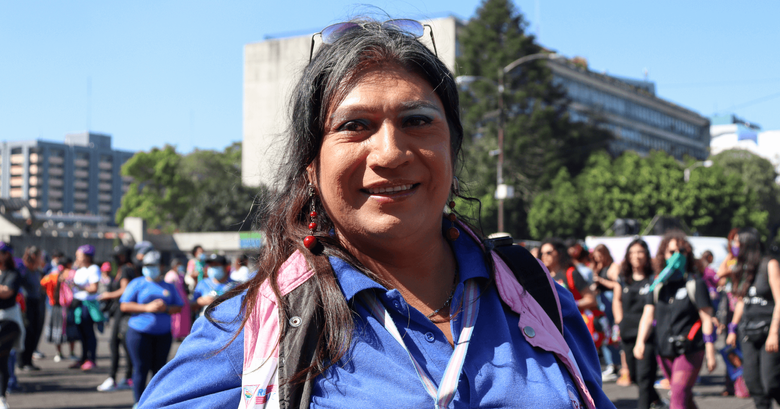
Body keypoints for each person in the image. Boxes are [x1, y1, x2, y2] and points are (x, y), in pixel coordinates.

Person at [140, 18, 613, 408]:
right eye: (354, 126)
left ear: (452, 148)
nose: (389, 152)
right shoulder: (253, 325)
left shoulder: (537, 296)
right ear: (311, 164)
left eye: (417, 121)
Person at [634, 232, 716, 409]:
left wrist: (710, 351)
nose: (676, 256)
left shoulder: (695, 284)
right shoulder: (658, 286)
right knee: (684, 396)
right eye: (672, 252)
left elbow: (706, 318)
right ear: (663, 254)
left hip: (690, 349)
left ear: (688, 254)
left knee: (677, 397)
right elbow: (648, 316)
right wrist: (640, 342)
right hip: (664, 350)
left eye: (682, 251)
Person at [725, 228, 780, 409]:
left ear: (748, 245)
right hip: (747, 331)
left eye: (737, 243)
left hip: (768, 331)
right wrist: (732, 329)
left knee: (771, 382)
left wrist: (774, 332)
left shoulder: (769, 264)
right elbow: (741, 301)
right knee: (752, 382)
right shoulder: (742, 268)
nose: (734, 247)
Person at [120, 250, 183, 406]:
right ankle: (139, 403)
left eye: (153, 265)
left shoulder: (168, 286)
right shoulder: (137, 283)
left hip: (163, 334)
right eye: (147, 265)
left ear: (161, 267)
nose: (150, 268)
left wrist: (166, 308)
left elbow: (179, 306)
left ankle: (155, 403)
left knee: (159, 370)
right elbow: (124, 305)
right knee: (141, 368)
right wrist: (146, 307)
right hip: (139, 333)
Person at [611, 239, 664, 409]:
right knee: (634, 376)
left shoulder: (653, 279)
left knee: (644, 377)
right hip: (627, 332)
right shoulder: (623, 279)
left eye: (640, 252)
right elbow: (617, 300)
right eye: (632, 252)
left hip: (647, 334)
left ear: (647, 255)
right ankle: (657, 401)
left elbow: (652, 309)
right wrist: (620, 321)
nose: (636, 256)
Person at [96, 245, 137, 392]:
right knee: (124, 345)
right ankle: (126, 376)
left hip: (124, 311)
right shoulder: (128, 268)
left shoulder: (126, 269)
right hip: (124, 311)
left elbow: (125, 290)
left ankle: (114, 377)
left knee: (115, 343)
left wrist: (108, 295)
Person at [590, 244, 621, 382]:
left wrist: (600, 280)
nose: (598, 259)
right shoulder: (598, 267)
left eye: (599, 256)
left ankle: (617, 364)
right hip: (601, 304)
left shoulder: (613, 266)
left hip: (611, 303)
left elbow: (616, 285)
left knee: (614, 335)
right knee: (605, 334)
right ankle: (611, 364)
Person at [69, 244, 103, 371]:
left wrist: (79, 286)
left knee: (89, 333)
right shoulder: (78, 269)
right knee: (81, 333)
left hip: (87, 305)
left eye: (80, 255)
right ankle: (83, 358)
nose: (77, 258)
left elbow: (94, 289)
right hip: (77, 304)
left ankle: (91, 359)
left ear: (87, 257)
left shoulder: (93, 268)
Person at [40, 257, 78, 363]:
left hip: (56, 306)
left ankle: (59, 353)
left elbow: (42, 283)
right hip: (69, 306)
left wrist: (49, 292)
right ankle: (72, 353)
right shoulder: (72, 273)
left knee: (57, 329)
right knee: (71, 330)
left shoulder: (53, 275)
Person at [0, 243, 23, 409]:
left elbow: (7, 292)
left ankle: (1, 397)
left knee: (2, 358)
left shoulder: (13, 273)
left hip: (8, 320)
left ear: (7, 255)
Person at [17, 246, 45, 371]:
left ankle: (28, 360)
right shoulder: (24, 270)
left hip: (36, 303)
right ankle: (22, 361)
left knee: (34, 332)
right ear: (34, 256)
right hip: (27, 304)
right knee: (27, 332)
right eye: (40, 256)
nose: (42, 259)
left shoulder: (37, 271)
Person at [163, 258, 191, 341]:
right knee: (176, 318)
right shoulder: (170, 275)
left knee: (184, 318)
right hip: (175, 300)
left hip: (183, 299)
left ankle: (183, 334)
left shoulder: (180, 274)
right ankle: (176, 334)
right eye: (178, 265)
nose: (179, 267)